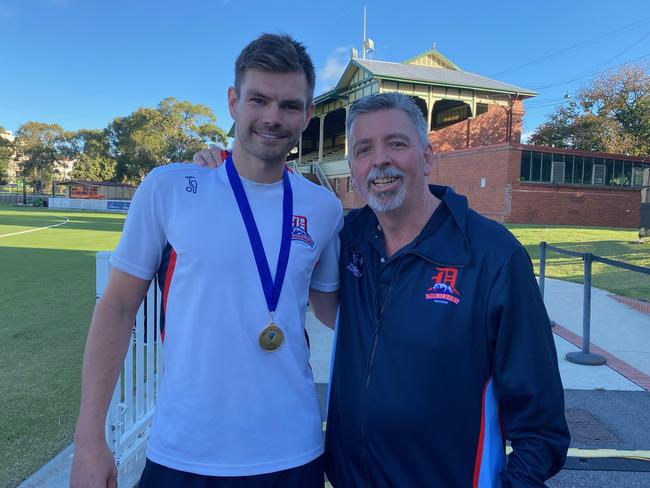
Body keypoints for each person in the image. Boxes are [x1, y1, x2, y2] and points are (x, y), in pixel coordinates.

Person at [70, 33, 343, 488]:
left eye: (290, 105)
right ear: (233, 102)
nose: (273, 118)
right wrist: (89, 440)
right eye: (259, 99)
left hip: (293, 452)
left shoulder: (323, 208)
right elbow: (117, 308)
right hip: (185, 451)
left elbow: (332, 309)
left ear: (308, 114)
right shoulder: (169, 188)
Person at [324, 93, 570, 487]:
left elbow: (541, 428)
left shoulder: (493, 255)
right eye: (363, 149)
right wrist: (224, 168)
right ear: (352, 166)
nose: (379, 159)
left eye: (396, 143)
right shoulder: (347, 237)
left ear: (426, 156)